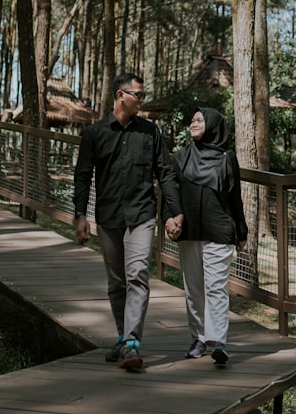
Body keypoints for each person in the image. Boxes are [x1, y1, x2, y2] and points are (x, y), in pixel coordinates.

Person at [73, 73, 184, 372]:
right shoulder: (94, 133)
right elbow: (83, 175)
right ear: (121, 95)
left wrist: (173, 212)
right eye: (139, 95)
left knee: (137, 275)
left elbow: (166, 172)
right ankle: (122, 337)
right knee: (117, 282)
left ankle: (133, 343)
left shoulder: (151, 132)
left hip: (142, 214)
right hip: (108, 216)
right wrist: (80, 214)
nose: (142, 101)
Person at [171, 107, 248, 366]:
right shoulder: (180, 157)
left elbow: (234, 196)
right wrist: (170, 220)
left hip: (220, 230)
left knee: (215, 287)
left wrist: (242, 230)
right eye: (192, 119)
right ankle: (199, 338)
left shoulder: (227, 157)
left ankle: (218, 342)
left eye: (199, 120)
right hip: (190, 231)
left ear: (213, 125)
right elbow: (171, 193)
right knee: (194, 289)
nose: (193, 123)